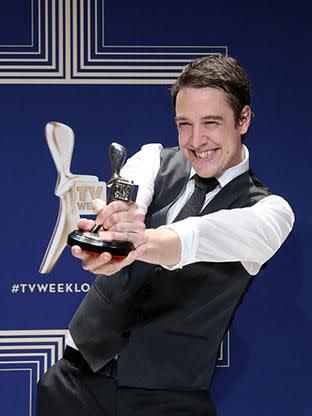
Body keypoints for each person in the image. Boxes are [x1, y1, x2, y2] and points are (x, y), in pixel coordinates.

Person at [37, 55, 294, 416]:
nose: (196, 140)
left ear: (244, 119)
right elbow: (130, 199)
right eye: (184, 124)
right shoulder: (153, 159)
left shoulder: (270, 213)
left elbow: (195, 237)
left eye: (211, 123)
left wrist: (137, 244)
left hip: (167, 401)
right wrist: (115, 229)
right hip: (73, 383)